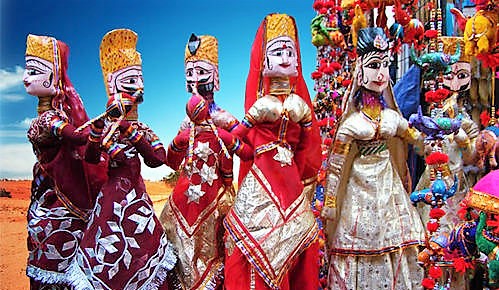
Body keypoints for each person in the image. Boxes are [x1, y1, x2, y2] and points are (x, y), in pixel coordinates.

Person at [71, 29, 177, 290]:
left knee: (145, 252)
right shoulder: (102, 126)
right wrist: (100, 132)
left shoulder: (141, 128)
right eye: (131, 80)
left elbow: (157, 159)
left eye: (140, 79)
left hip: (137, 200)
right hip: (111, 200)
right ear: (112, 84)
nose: (138, 86)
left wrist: (129, 130)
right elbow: (91, 157)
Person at [223, 13, 322, 289]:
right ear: (264, 62)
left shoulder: (301, 108)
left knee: (301, 237)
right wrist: (227, 138)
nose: (286, 58)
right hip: (262, 179)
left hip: (290, 180)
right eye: (278, 52)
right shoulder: (261, 106)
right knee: (253, 240)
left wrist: (306, 181)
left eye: (290, 51)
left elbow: (306, 146)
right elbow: (240, 139)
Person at [321, 27, 425, 289]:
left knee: (396, 241)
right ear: (360, 70)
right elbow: (336, 166)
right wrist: (331, 202)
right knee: (359, 244)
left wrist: (434, 139)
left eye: (386, 65)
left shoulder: (392, 118)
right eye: (374, 65)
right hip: (359, 189)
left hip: (389, 188)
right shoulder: (352, 124)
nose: (381, 74)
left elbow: (415, 139)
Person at [23, 34, 106, 289]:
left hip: (55, 200)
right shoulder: (50, 119)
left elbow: (77, 137)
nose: (26, 77)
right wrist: (94, 133)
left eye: (34, 71)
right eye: (27, 70)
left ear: (53, 77)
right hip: (47, 194)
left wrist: (92, 134)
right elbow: (80, 137)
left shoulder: (53, 120)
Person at [160, 94, 252, 289]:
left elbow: (172, 162)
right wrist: (227, 180)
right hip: (213, 198)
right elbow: (245, 154)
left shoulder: (183, 137)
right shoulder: (222, 135)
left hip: (182, 200)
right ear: (207, 112)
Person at [179, 33, 238, 132]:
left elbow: (242, 140)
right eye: (189, 73)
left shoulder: (223, 118)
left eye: (201, 72)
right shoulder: (186, 123)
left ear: (215, 74)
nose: (194, 78)